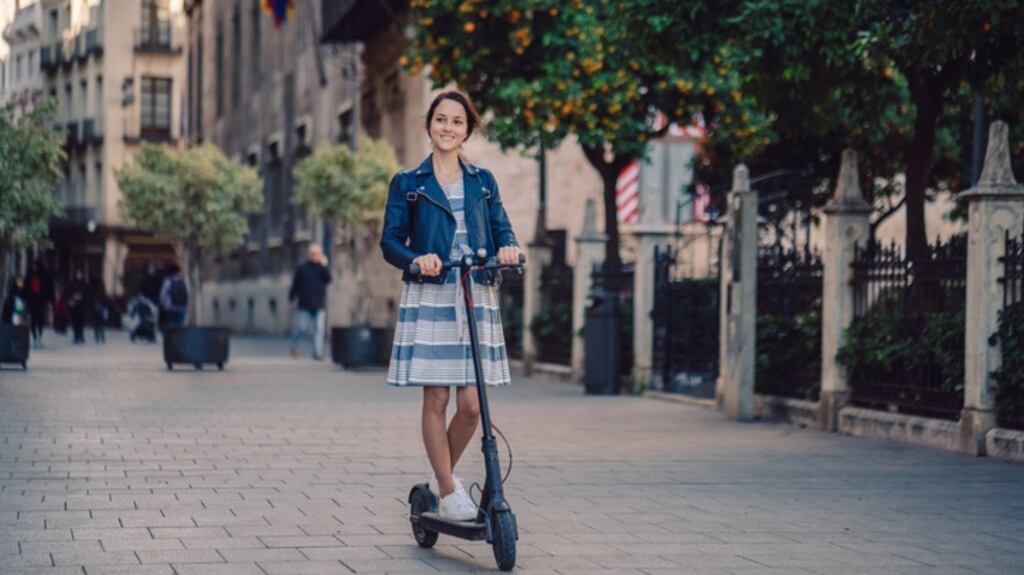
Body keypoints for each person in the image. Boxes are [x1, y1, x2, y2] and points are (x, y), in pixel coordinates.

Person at [379, 91, 522, 521]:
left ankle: (442, 481)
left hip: (474, 290)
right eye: (441, 119)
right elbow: (390, 241)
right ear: (429, 124)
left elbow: (501, 229)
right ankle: (448, 489)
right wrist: (416, 259)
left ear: (468, 129)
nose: (448, 127)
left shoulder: (483, 181)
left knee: (472, 405)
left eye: (457, 121)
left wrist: (509, 248)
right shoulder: (409, 183)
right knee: (437, 398)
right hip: (433, 291)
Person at [288, 244, 332, 359]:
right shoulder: (302, 268)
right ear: (309, 255)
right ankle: (294, 346)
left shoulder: (322, 269)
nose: (314, 256)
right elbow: (295, 285)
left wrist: (324, 265)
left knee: (319, 330)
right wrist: (291, 299)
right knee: (301, 328)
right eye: (312, 254)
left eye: (317, 254)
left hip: (319, 305)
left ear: (320, 255)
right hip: (304, 305)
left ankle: (317, 353)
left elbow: (328, 279)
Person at [24, 261, 54, 348]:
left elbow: (49, 287)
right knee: (33, 319)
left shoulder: (45, 275)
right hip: (32, 300)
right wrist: (24, 298)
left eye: (36, 266)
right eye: (33, 266)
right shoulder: (29, 275)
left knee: (41, 319)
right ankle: (34, 338)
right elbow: (26, 287)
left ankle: (39, 337)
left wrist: (51, 299)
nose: (34, 268)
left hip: (41, 300)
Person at [159, 263, 188, 328]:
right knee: (180, 327)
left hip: (171, 307)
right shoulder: (182, 280)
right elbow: (186, 293)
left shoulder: (168, 280)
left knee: (171, 327)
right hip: (181, 307)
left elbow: (162, 295)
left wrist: (163, 305)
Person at [68, 271, 90, 344]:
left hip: (81, 306)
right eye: (77, 274)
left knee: (81, 322)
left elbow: (87, 294)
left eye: (80, 274)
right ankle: (76, 336)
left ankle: (81, 336)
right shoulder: (72, 283)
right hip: (74, 306)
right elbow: (68, 292)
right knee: (74, 322)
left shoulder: (85, 284)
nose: (79, 275)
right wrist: (72, 299)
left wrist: (82, 297)